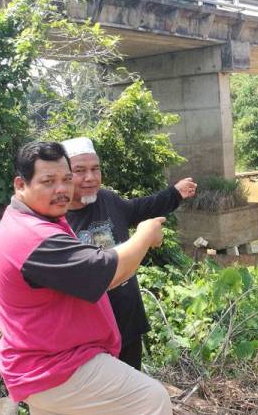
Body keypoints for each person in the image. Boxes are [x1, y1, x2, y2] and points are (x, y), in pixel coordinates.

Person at [0, 141, 172, 414]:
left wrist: (176, 193)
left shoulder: (34, 220)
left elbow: (139, 208)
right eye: (48, 181)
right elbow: (109, 271)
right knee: (152, 398)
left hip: (44, 361)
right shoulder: (34, 237)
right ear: (20, 185)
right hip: (56, 366)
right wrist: (145, 235)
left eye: (66, 180)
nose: (62, 189)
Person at [61, 136, 197, 370]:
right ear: (64, 176)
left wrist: (174, 193)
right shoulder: (57, 222)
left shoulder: (107, 199)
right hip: (88, 338)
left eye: (95, 169)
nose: (90, 177)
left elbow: (141, 207)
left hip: (128, 323)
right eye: (80, 171)